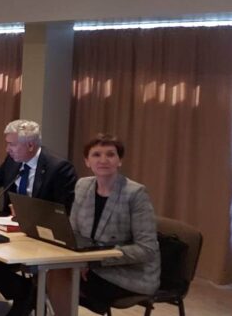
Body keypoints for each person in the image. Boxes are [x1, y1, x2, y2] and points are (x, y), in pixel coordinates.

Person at [0, 119, 79, 316]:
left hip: (40, 238)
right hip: (10, 231)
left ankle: (25, 295)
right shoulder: (13, 161)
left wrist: (29, 214)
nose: (7, 149)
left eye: (12, 144)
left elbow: (64, 213)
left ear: (30, 145)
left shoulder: (59, 168)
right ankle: (24, 291)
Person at [47, 134, 160, 315]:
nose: (103, 160)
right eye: (96, 154)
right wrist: (80, 261)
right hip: (87, 265)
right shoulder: (82, 185)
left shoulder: (135, 193)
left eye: (110, 154)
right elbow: (73, 232)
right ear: (87, 161)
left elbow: (146, 249)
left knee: (57, 277)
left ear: (119, 161)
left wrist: (95, 260)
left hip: (129, 272)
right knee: (48, 273)